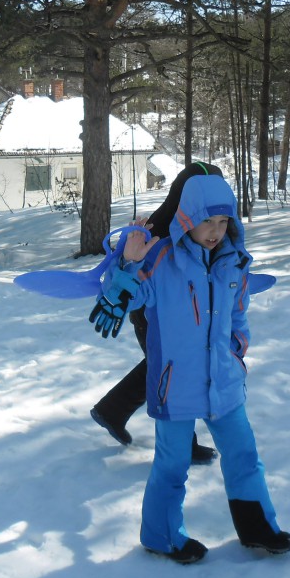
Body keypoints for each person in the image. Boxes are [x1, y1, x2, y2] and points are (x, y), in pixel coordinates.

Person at [101, 173, 290, 564]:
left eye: (223, 222)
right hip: (175, 386)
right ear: (187, 217)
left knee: (244, 456)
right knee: (172, 465)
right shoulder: (161, 261)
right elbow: (120, 298)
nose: (215, 231)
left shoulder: (233, 263)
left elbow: (238, 315)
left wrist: (236, 351)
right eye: (207, 221)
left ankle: (258, 529)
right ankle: (161, 536)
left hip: (224, 382)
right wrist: (128, 262)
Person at [90, 162, 220, 465]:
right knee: (173, 372)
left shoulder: (205, 226)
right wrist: (127, 264)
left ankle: (112, 410)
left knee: (163, 365)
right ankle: (182, 444)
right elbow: (127, 282)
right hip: (152, 315)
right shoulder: (159, 230)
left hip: (185, 318)